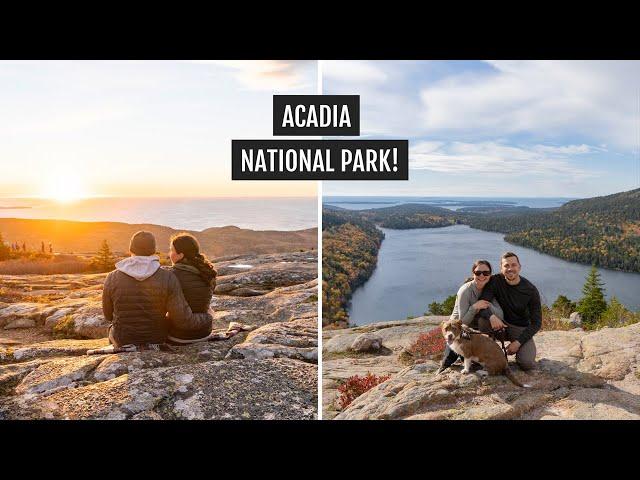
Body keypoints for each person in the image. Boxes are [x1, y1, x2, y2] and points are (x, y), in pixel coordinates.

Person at [101, 230, 207, 348]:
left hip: (123, 339)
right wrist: (207, 317)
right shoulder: (167, 276)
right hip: (157, 338)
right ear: (153, 251)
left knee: (111, 328)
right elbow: (179, 315)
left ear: (131, 249)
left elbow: (108, 315)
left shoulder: (112, 277)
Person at [476, 252, 541, 371]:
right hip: (498, 324)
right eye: (506, 266)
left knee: (527, 363)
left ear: (519, 267)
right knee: (483, 319)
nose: (510, 269)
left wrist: (518, 342)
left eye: (513, 265)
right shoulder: (495, 281)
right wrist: (491, 317)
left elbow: (537, 323)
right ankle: (490, 351)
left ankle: (515, 351)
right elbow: (481, 304)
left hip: (519, 327)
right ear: (501, 268)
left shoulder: (530, 290)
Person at [437, 260, 505, 373]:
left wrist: (488, 306)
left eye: (486, 273)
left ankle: (481, 357)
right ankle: (444, 366)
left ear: (490, 274)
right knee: (449, 359)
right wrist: (474, 307)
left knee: (485, 321)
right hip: (459, 327)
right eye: (478, 273)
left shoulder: (491, 289)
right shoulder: (465, 290)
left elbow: (500, 315)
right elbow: (462, 322)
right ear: (473, 273)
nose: (482, 276)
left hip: (476, 327)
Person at [166, 233, 216, 344]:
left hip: (179, 336)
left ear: (181, 255)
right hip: (204, 333)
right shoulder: (206, 272)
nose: (169, 254)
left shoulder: (171, 275)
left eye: (172, 250)